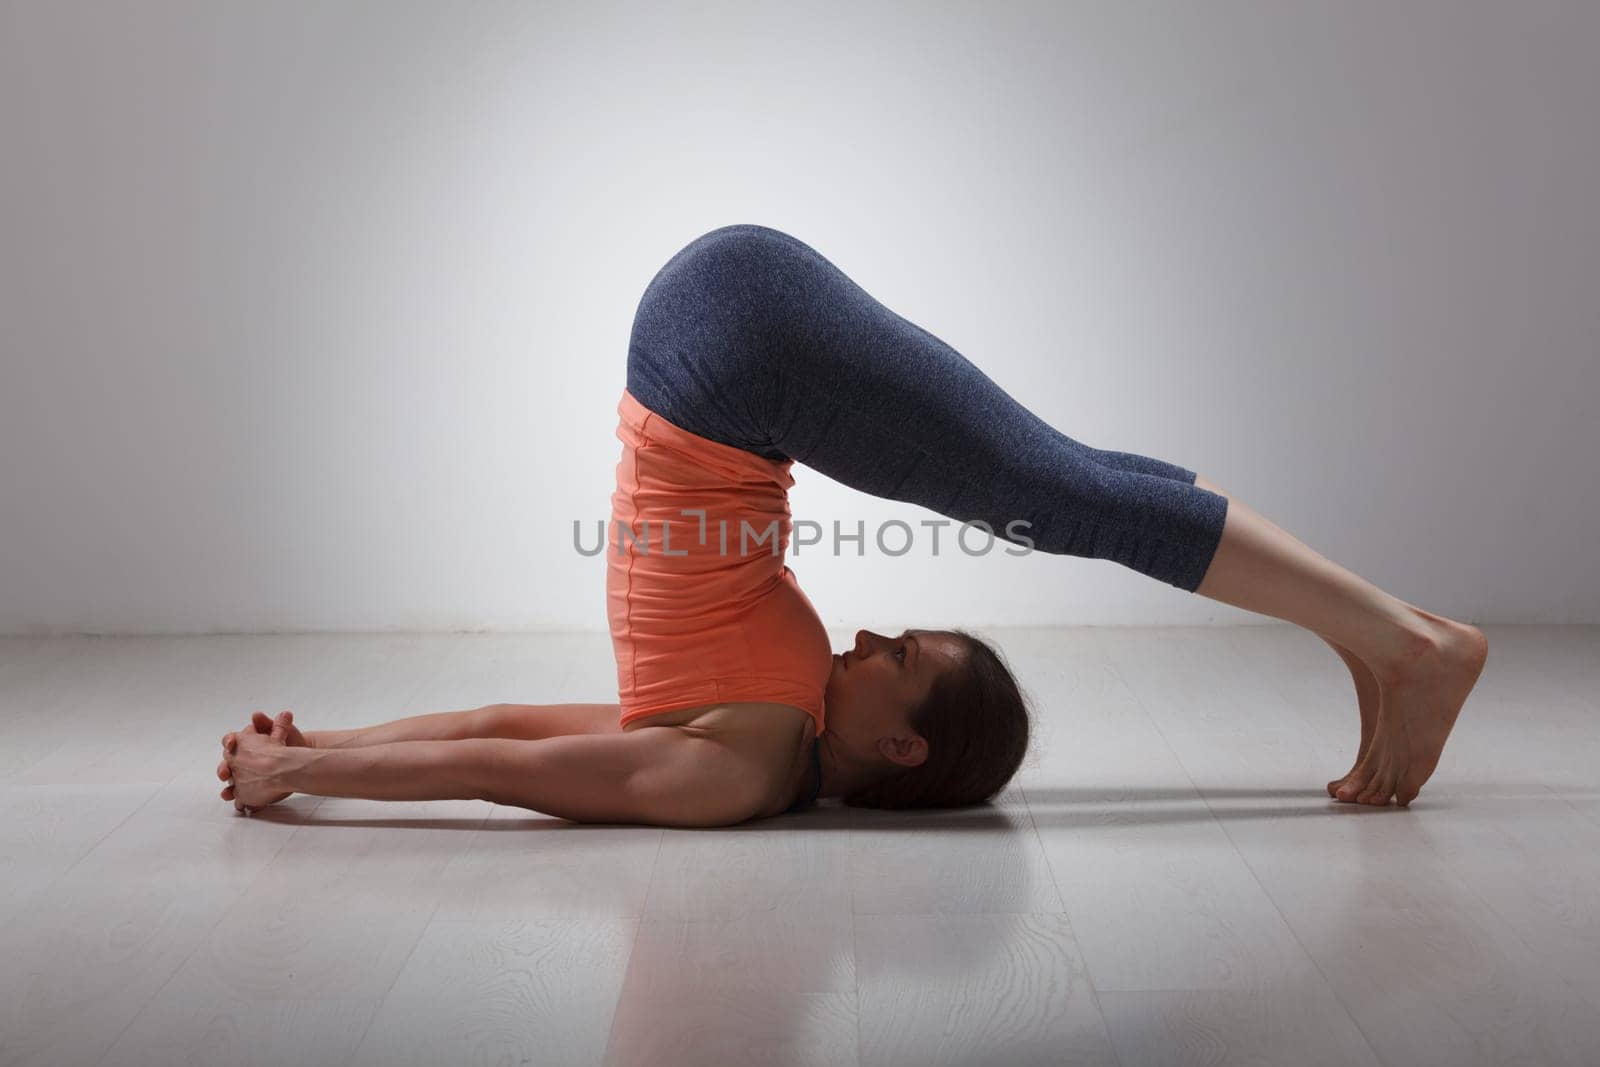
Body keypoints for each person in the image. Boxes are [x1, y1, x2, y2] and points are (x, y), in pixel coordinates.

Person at [219, 224, 1487, 824]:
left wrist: (312, 755)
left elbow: (499, 748)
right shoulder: (762, 729)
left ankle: (1396, 641)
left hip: (730, 350)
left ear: (894, 747)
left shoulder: (736, 764)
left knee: (1065, 483)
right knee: (1063, 483)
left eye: (899, 658)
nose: (872, 629)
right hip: (732, 351)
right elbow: (497, 747)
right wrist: (309, 762)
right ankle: (1389, 637)